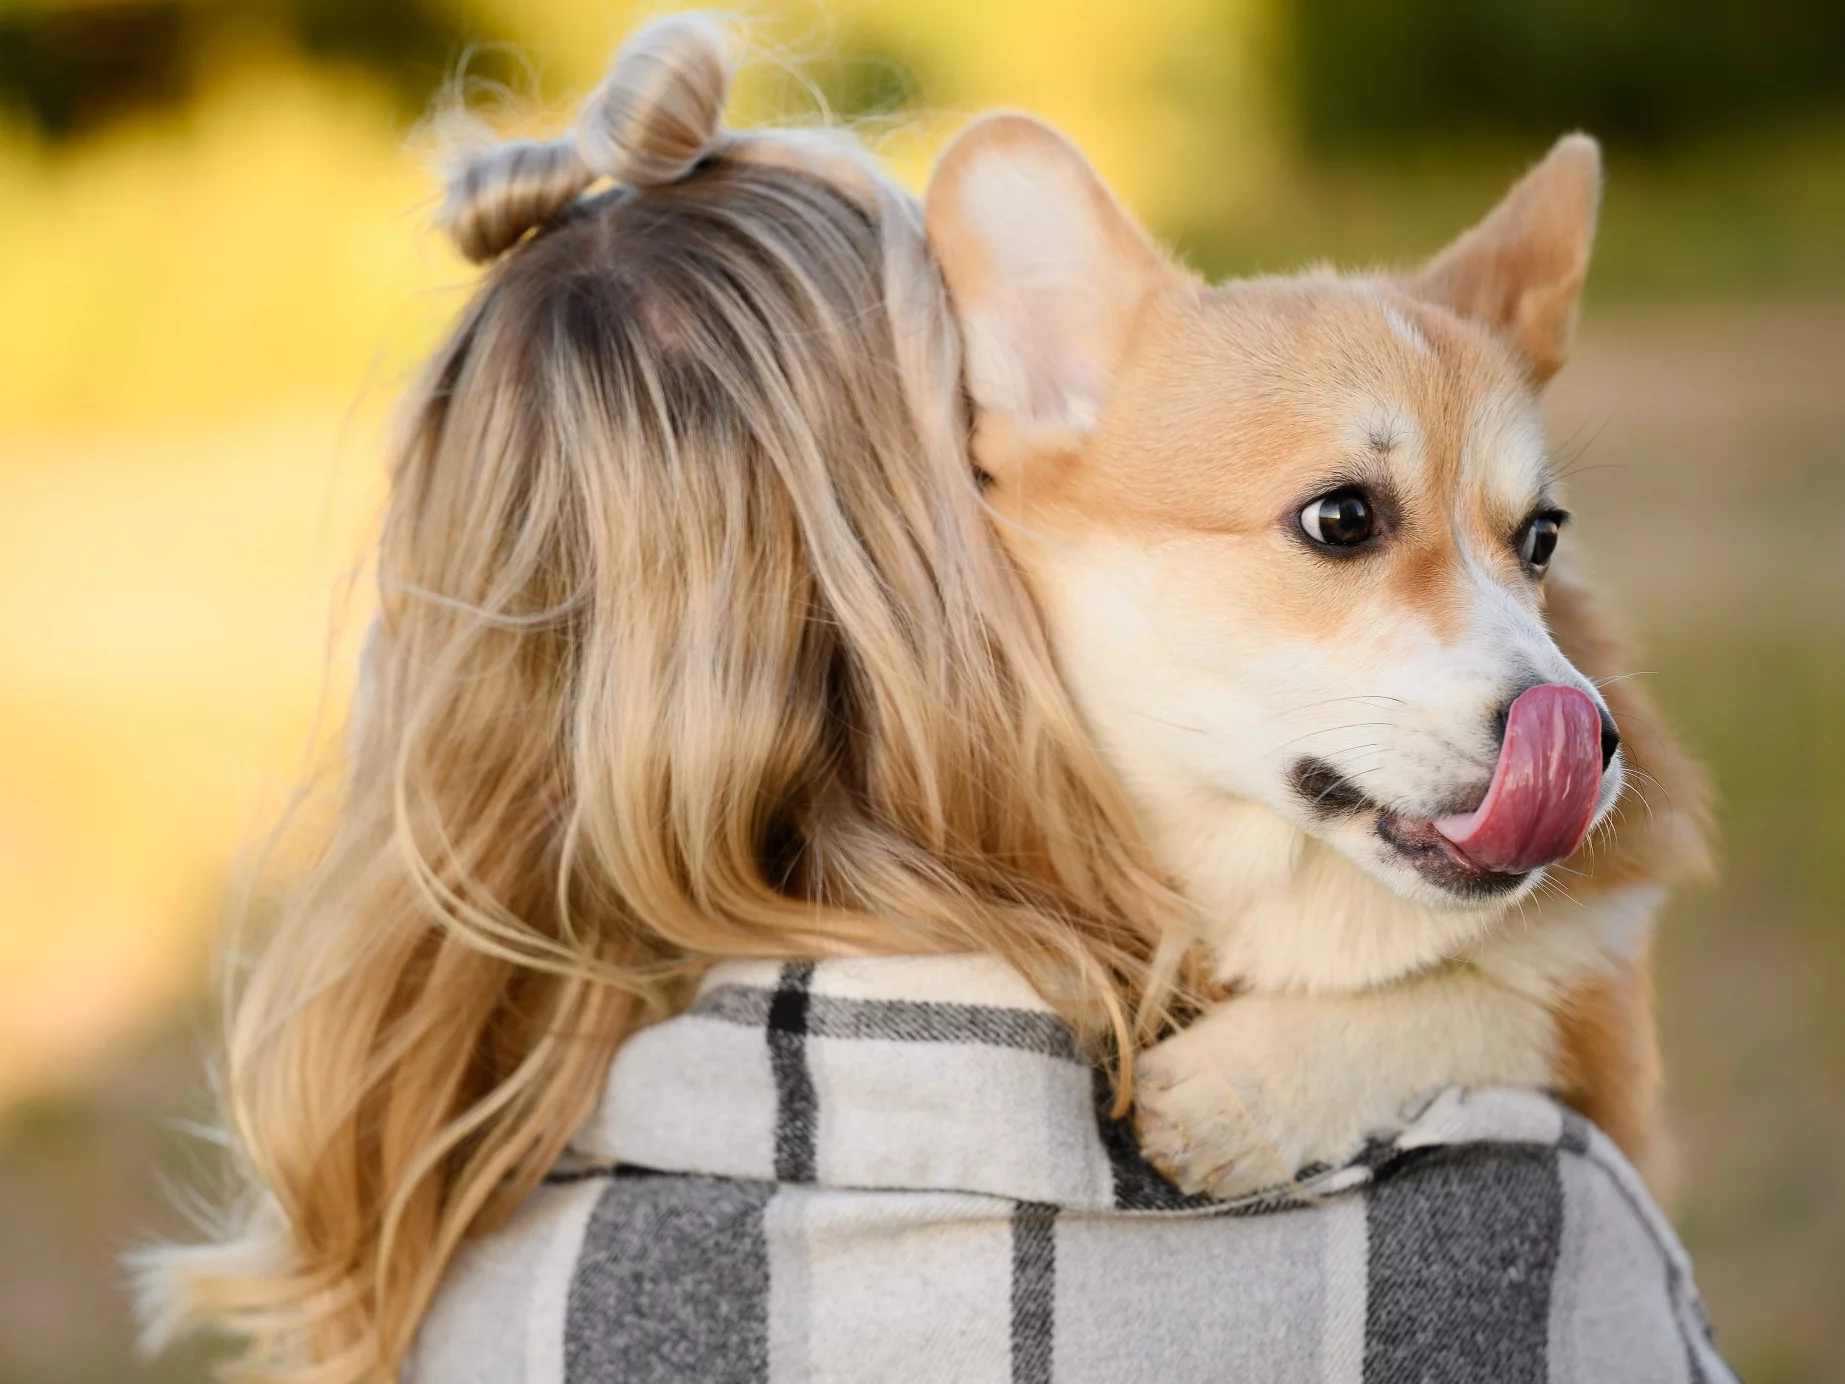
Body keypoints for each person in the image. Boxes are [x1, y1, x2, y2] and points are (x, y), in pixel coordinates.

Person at [136, 15, 1735, 1384]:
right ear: (952, 571)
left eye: (1530, 547)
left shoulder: (447, 1304)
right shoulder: (1524, 1257)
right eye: (1341, 523)